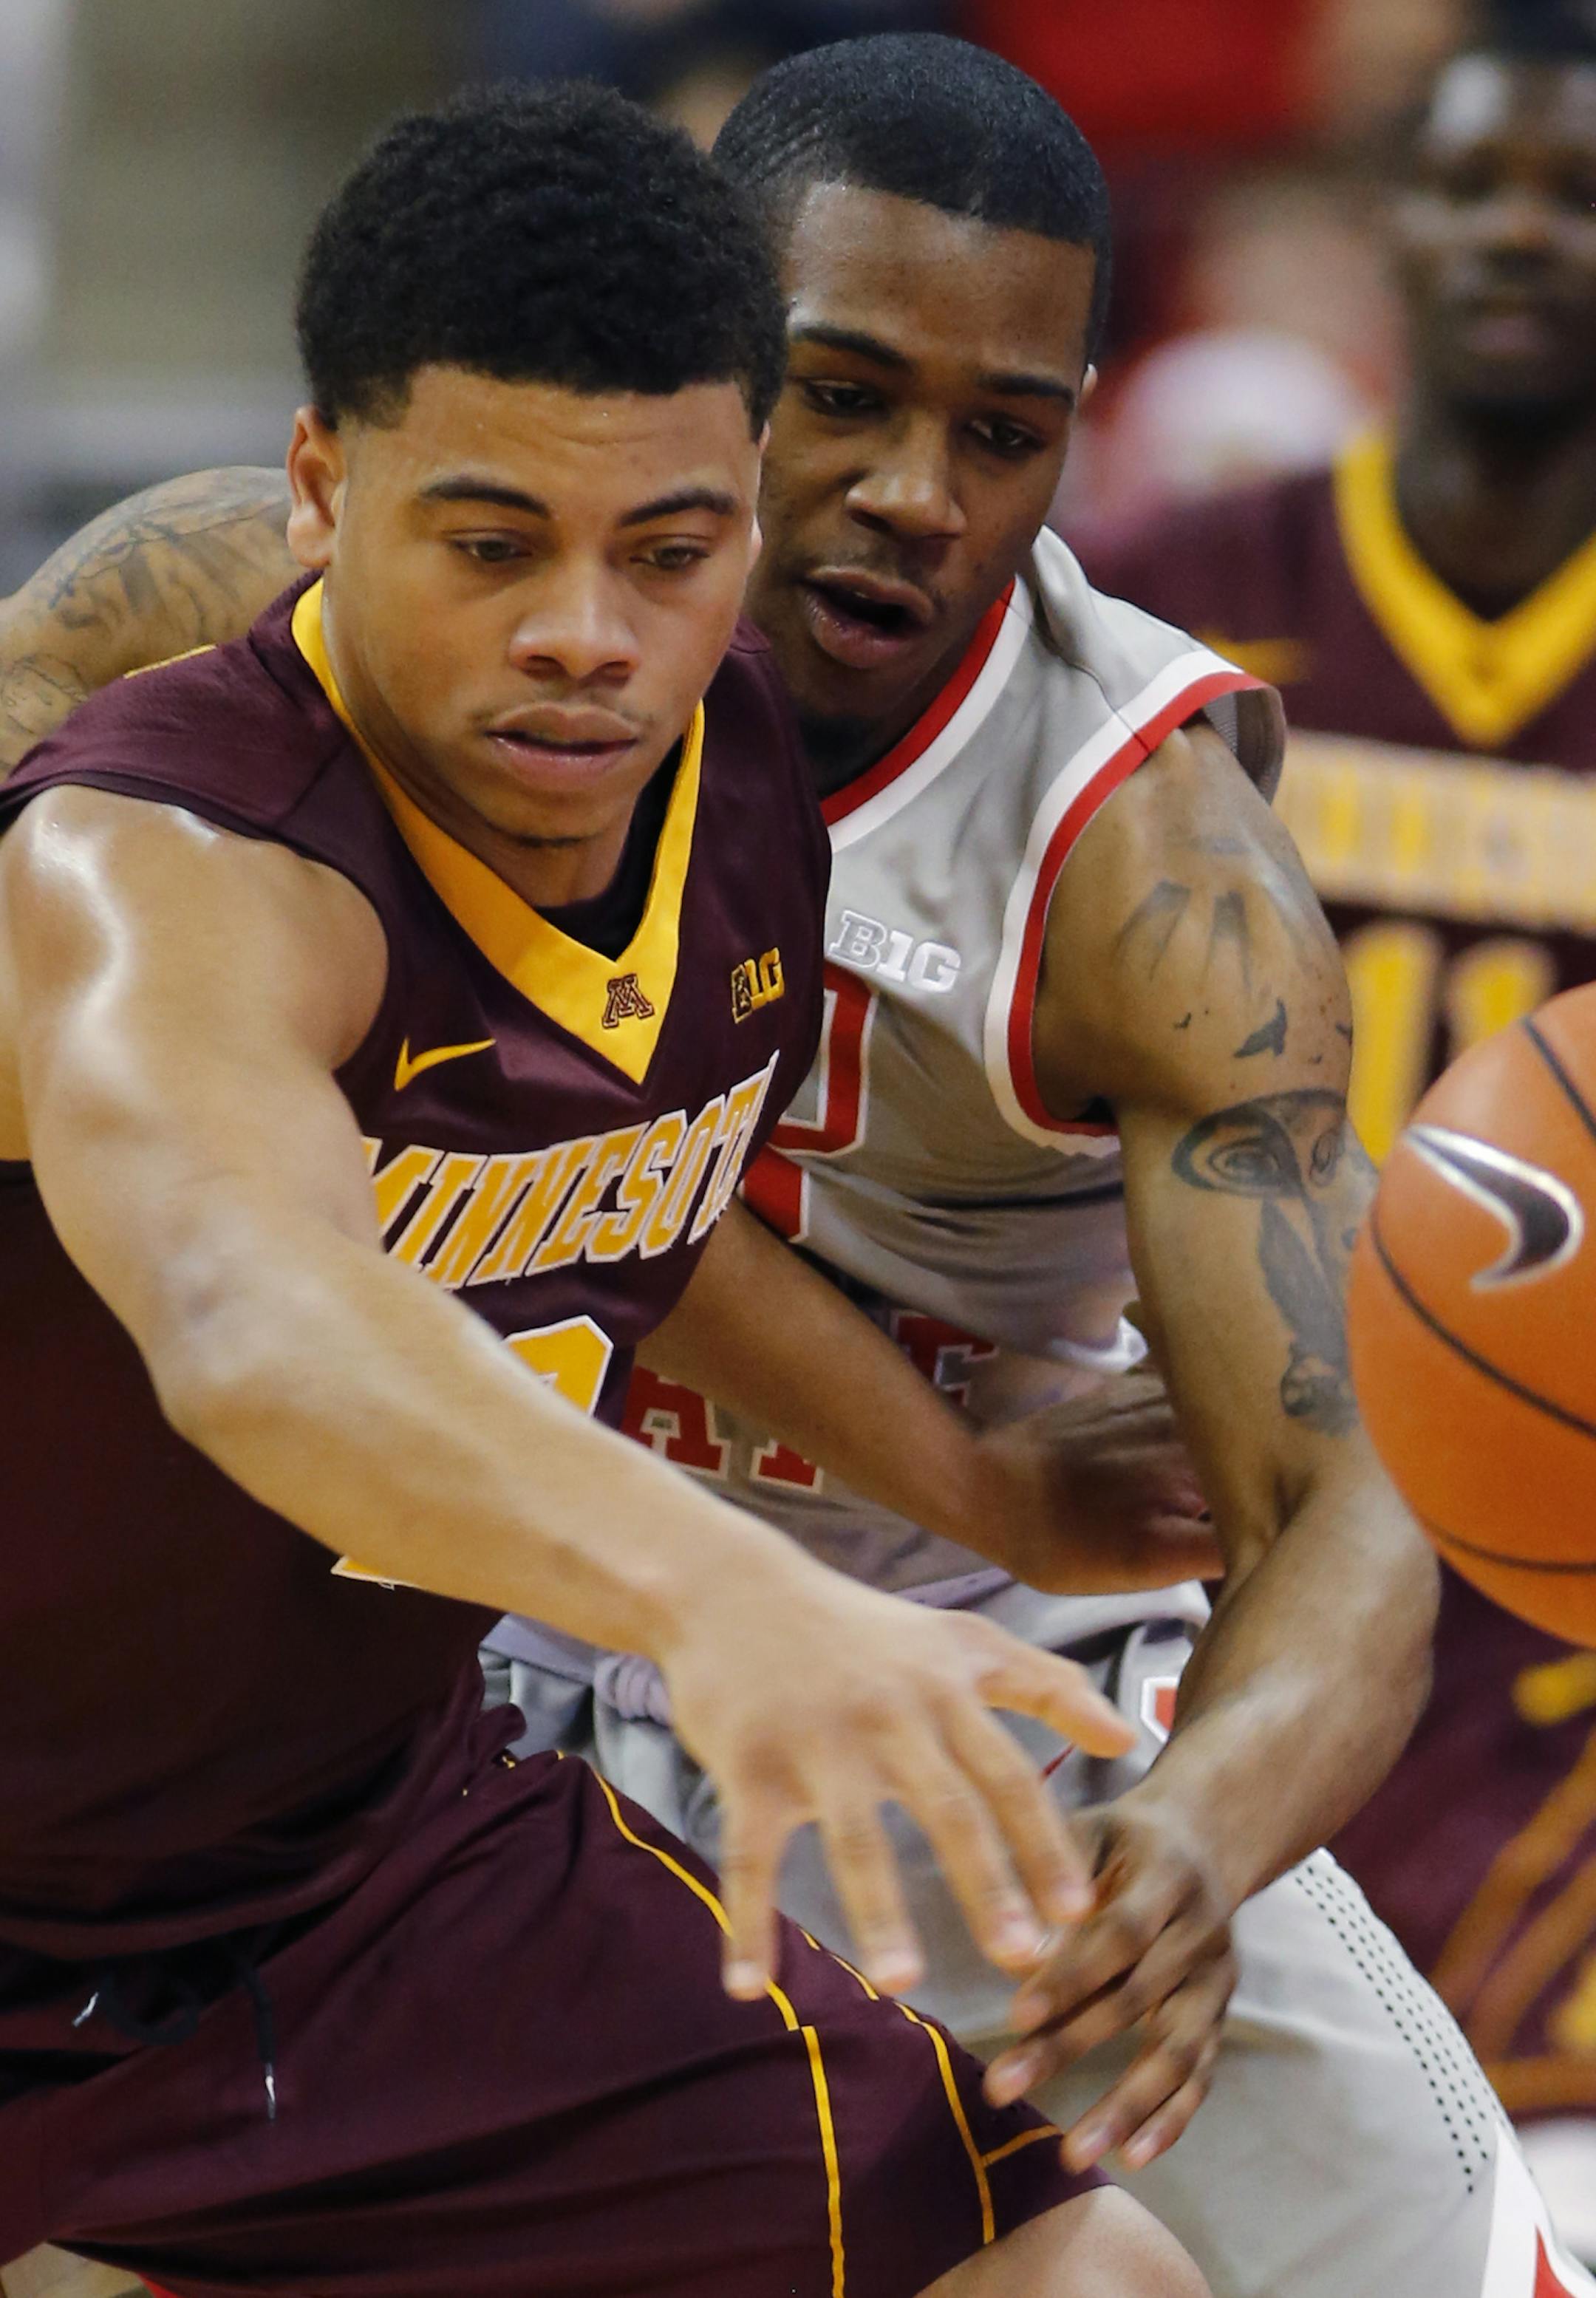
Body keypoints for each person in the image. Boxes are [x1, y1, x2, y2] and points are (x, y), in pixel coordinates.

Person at [4, 34, 1586, 2298]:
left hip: (637, 1741)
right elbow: (269, 1296)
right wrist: (731, 1587)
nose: (912, 497)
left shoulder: (915, 803)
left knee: (1195, 2271)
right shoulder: (193, 769)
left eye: (1003, 433)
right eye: (843, 399)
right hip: (336, 1685)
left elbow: (617, 1193)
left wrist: (996, 1528)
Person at [1077, 10, 1596, 2255]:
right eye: (1470, 183)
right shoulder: (1180, 596)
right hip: (1219, 1461)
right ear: (1377, 222)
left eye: (1574, 195)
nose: (1516, 235)